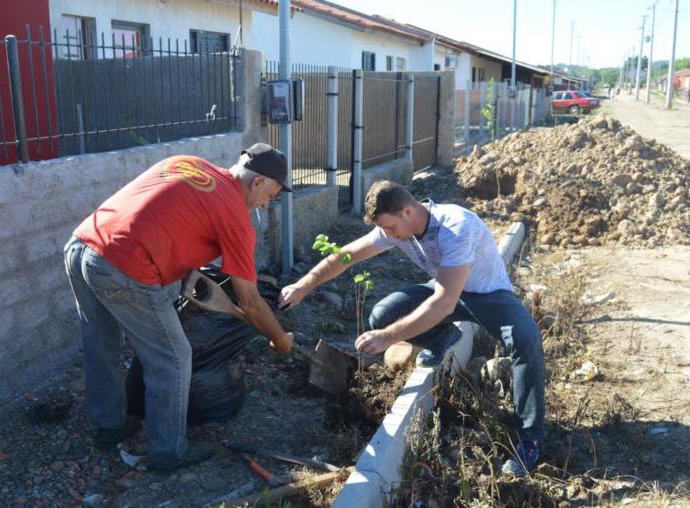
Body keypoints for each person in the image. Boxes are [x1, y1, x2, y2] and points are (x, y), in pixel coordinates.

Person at [278, 181, 546, 476]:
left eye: (391, 228)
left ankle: (529, 438)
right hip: (446, 289)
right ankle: (444, 337)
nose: (390, 236)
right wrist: (302, 286)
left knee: (525, 339)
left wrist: (388, 337)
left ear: (407, 211)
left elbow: (444, 303)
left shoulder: (455, 227)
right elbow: (346, 256)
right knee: (382, 314)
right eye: (386, 231)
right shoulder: (395, 227)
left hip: (487, 295)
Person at [64, 143, 294, 472]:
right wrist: (279, 338)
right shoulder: (235, 216)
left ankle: (110, 427)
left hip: (81, 244)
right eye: (272, 194)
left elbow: (166, 217)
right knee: (173, 358)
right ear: (257, 182)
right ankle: (168, 452)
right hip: (123, 266)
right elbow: (251, 301)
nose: (267, 202)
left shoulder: (190, 163)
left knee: (100, 343)